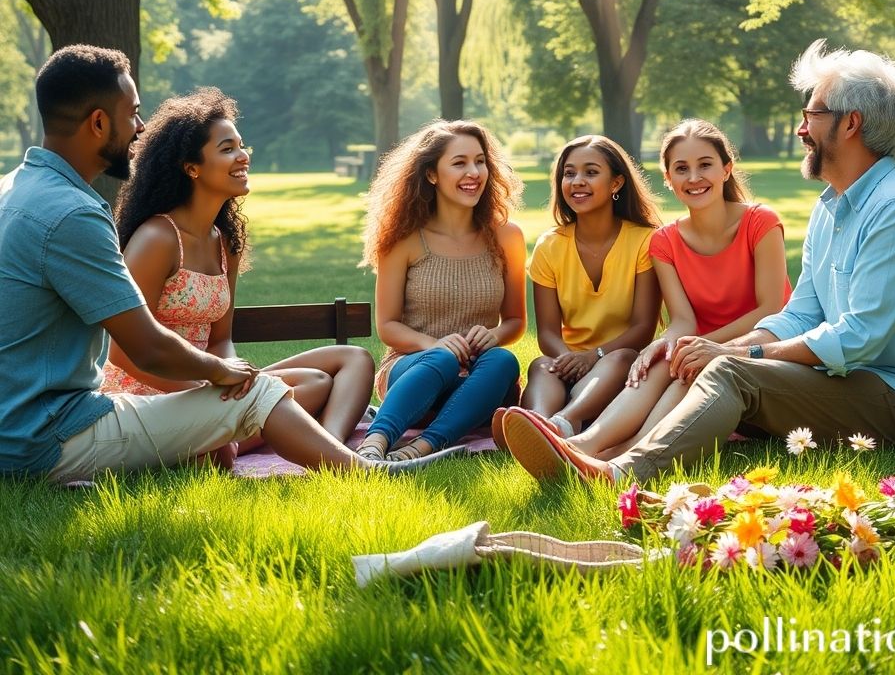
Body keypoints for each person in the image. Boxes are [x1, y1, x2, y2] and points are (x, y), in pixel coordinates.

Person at [501, 40, 895, 483]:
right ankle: (590, 450)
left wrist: (736, 352)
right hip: (851, 382)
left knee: (727, 369)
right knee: (700, 359)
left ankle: (620, 473)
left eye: (812, 114)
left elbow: (856, 339)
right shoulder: (832, 207)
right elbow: (801, 314)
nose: (802, 128)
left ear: (850, 124)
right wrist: (710, 348)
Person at [0, 45, 429, 480]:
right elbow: (142, 347)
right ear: (98, 123)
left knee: (285, 383)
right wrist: (221, 376)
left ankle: (324, 453)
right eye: (132, 113)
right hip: (46, 435)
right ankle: (364, 473)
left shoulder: (14, 190)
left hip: (26, 424)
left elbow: (209, 337)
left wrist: (223, 376)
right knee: (254, 394)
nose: (140, 127)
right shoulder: (76, 214)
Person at [101, 89, 375, 464]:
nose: (243, 156)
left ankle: (327, 450)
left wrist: (232, 379)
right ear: (191, 167)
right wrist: (209, 391)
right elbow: (123, 352)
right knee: (297, 391)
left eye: (242, 146)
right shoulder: (157, 238)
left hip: (212, 382)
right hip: (150, 393)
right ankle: (306, 447)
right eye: (227, 148)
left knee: (345, 364)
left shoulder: (224, 241)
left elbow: (221, 339)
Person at [530, 119, 791, 460]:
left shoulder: (761, 222)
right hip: (700, 349)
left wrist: (703, 345)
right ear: (668, 179)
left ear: (727, 170)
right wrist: (661, 345)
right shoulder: (665, 241)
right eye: (681, 168)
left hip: (763, 348)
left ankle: (616, 453)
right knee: (659, 363)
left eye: (705, 165)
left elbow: (770, 309)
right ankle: (583, 444)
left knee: (686, 367)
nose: (694, 178)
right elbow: (682, 320)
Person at [355, 120, 526, 462]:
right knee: (442, 359)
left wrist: (494, 336)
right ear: (432, 174)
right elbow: (387, 326)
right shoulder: (402, 239)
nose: (474, 172)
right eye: (459, 163)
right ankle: (375, 443)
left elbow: (516, 321)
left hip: (475, 386)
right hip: (412, 375)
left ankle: (424, 447)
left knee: (503, 360)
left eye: (480, 161)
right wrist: (436, 346)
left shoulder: (508, 237)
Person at [514, 135, 662, 438]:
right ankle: (537, 428)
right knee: (542, 365)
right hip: (569, 363)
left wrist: (593, 358)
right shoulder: (549, 246)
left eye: (591, 172)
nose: (577, 181)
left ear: (616, 183)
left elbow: (643, 329)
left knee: (620, 358)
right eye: (569, 173)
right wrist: (569, 360)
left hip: (624, 366)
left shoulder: (645, 241)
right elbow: (548, 333)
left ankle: (564, 422)